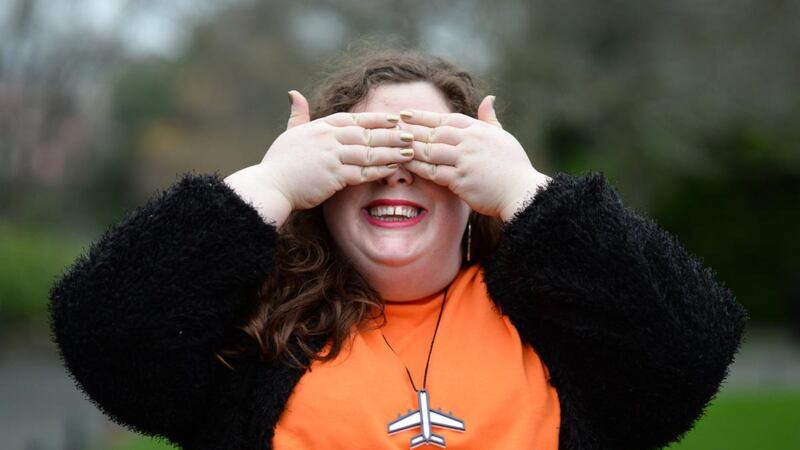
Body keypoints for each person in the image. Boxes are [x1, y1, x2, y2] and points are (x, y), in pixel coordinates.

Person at [49, 50, 746, 450]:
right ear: (321, 181)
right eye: (365, 148)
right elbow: (99, 338)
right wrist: (263, 188)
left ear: (476, 179)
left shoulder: (551, 321)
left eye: (429, 148)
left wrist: (532, 195)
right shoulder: (260, 334)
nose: (396, 170)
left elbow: (693, 350)